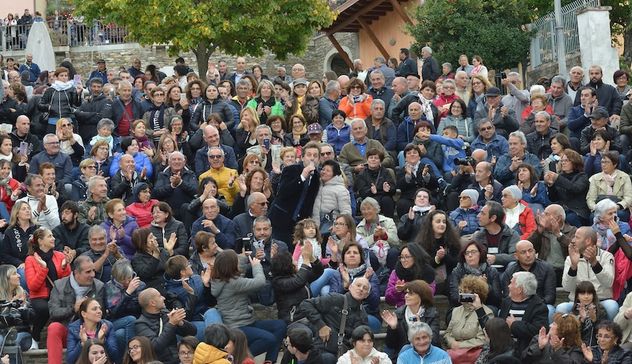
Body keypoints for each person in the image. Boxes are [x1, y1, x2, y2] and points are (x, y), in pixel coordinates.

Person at [210, 250, 286, 364]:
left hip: (247, 322)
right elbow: (260, 282)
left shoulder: (221, 278)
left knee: (280, 325)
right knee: (269, 339)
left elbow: (238, 272)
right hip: (236, 326)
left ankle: (270, 361)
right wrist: (256, 266)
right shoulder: (233, 283)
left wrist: (244, 257)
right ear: (231, 266)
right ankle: (238, 359)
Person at [298, 277, 371, 364]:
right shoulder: (335, 298)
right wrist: (321, 325)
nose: (361, 289)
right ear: (350, 287)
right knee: (328, 359)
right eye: (358, 285)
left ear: (367, 295)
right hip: (324, 349)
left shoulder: (363, 315)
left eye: (365, 288)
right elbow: (305, 304)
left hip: (345, 354)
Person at [47, 256, 105, 364]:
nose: (92, 275)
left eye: (93, 270)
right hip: (67, 330)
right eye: (88, 272)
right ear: (76, 273)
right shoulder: (59, 285)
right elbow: (53, 313)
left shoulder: (99, 286)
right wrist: (73, 308)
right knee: (54, 328)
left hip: (88, 332)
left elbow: (101, 315)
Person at [558, 227, 618, 320]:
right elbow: (567, 287)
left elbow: (608, 282)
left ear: (588, 240)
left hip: (601, 301)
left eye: (577, 237)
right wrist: (573, 266)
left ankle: (608, 333)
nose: (573, 241)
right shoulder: (570, 258)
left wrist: (594, 263)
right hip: (577, 302)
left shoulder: (606, 256)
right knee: (561, 308)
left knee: (612, 306)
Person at [268, 141, 321, 245]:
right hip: (280, 220)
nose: (312, 158)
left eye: (315, 156)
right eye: (309, 155)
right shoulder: (290, 170)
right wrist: (302, 177)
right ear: (302, 157)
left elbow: (309, 202)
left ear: (319, 159)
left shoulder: (316, 178)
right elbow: (283, 192)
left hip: (298, 225)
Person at [164, 255, 221, 341]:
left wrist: (206, 285)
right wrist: (191, 294)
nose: (191, 265)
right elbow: (185, 318)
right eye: (188, 264)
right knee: (217, 330)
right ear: (182, 272)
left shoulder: (197, 278)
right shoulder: (171, 292)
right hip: (193, 324)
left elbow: (212, 303)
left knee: (212, 312)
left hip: (208, 316)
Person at [135, 288, 197, 364]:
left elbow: (193, 331)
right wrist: (171, 324)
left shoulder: (165, 313)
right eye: (160, 296)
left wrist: (180, 322)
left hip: (178, 358)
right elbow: (155, 347)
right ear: (153, 303)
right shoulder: (141, 324)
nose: (164, 298)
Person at [382, 280, 440, 356]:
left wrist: (421, 329)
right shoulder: (398, 314)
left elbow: (434, 341)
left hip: (427, 354)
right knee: (406, 348)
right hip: (403, 355)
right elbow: (391, 345)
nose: (406, 296)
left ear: (421, 296)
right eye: (406, 293)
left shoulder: (432, 314)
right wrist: (393, 328)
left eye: (411, 293)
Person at [499, 271, 549, 355]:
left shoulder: (539, 307)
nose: (508, 286)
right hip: (504, 347)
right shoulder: (506, 302)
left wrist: (515, 325)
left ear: (519, 289)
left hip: (525, 351)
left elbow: (537, 332)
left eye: (511, 283)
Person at [443, 275, 494, 352]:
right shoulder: (456, 311)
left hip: (474, 353)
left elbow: (483, 339)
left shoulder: (487, 313)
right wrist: (452, 343)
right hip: (454, 352)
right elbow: (447, 333)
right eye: (461, 292)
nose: (462, 295)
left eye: (466, 293)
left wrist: (460, 345)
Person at [528, 204, 576, 285]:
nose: (542, 216)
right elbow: (529, 247)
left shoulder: (573, 231)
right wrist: (539, 231)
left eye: (546, 214)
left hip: (565, 270)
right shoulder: (541, 231)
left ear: (558, 218)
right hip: (544, 270)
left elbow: (575, 249)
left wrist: (558, 234)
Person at [415, 210, 461, 292]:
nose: (442, 224)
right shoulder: (421, 243)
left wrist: (445, 257)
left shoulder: (453, 241)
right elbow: (422, 267)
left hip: (449, 279)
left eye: (444, 222)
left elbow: (457, 263)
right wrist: (437, 259)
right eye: (438, 222)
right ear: (430, 224)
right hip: (429, 280)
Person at [544, 149, 590, 227]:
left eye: (567, 160)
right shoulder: (560, 177)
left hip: (577, 211)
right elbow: (553, 198)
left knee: (570, 218)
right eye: (562, 161)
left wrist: (558, 178)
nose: (563, 163)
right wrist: (550, 185)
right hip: (563, 210)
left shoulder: (582, 176)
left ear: (575, 162)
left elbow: (575, 189)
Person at [448, 241, 502, 309]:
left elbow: (497, 300)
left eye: (473, 252)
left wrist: (486, 286)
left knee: (493, 309)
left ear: (480, 253)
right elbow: (455, 298)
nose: (470, 255)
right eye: (467, 253)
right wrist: (474, 299)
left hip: (485, 306)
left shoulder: (491, 271)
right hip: (463, 307)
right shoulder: (457, 271)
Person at [66, 298, 119, 364]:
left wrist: (102, 340)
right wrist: (82, 343)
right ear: (84, 314)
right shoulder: (74, 328)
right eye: (94, 309)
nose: (99, 311)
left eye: (100, 308)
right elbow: (70, 360)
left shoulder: (107, 326)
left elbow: (115, 357)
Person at [472, 201, 520, 269]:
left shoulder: (511, 235)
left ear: (493, 218)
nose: (478, 216)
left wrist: (496, 258)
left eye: (482, 213)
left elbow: (515, 256)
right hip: (484, 274)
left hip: (506, 273)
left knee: (513, 265)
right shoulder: (478, 235)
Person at [586, 151, 632, 222]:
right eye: (602, 162)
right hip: (601, 207)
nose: (603, 165)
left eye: (607, 162)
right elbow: (590, 198)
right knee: (593, 216)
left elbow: (629, 197)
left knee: (621, 215)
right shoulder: (595, 178)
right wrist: (597, 208)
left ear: (615, 164)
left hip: (618, 207)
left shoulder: (624, 177)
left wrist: (618, 206)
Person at [0, 200, 37, 271]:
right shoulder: (9, 231)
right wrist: (19, 263)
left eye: (28, 208)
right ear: (17, 214)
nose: (27, 210)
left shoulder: (37, 229)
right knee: (23, 274)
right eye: (24, 209)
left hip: (37, 263)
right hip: (20, 266)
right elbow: (4, 255)